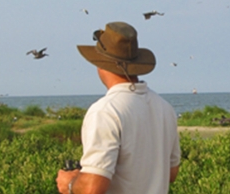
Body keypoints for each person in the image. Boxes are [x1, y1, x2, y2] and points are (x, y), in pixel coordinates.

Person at [56, 21, 181, 194]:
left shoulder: (105, 112)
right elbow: (171, 173)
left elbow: (92, 189)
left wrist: (69, 184)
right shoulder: (165, 108)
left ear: (100, 64)